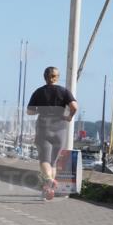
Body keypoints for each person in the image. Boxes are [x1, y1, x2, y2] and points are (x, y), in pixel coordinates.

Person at [26, 67, 78, 200]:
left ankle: (48, 180)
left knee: (44, 160)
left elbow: (30, 111)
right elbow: (74, 106)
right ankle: (48, 190)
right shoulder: (64, 91)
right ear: (57, 77)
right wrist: (69, 117)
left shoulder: (38, 92)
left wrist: (39, 110)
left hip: (44, 128)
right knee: (53, 162)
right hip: (60, 129)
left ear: (45, 77)